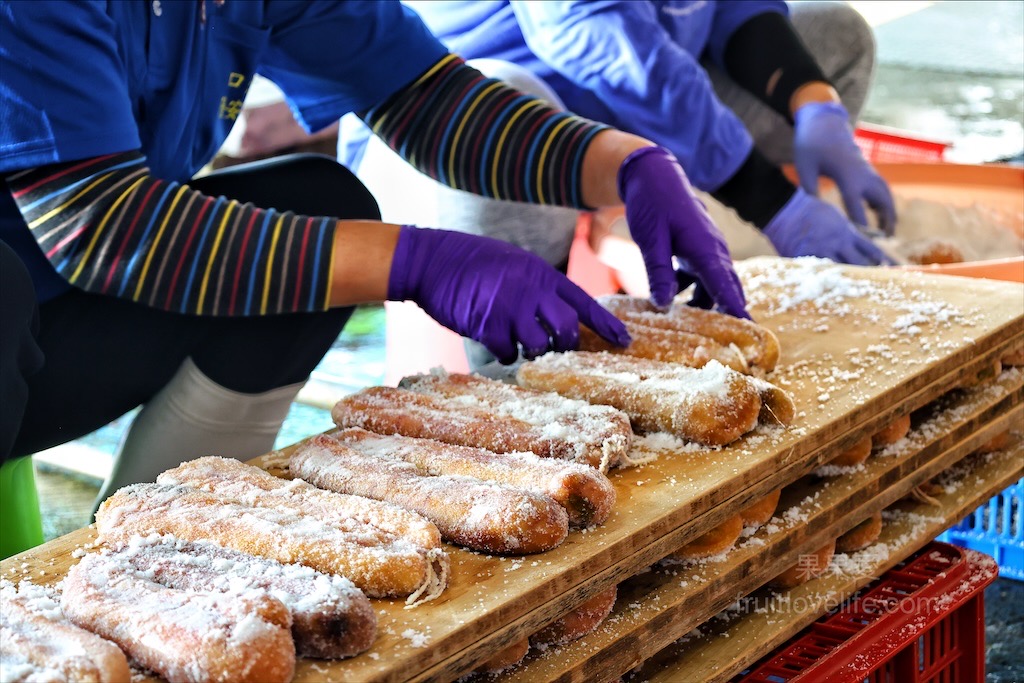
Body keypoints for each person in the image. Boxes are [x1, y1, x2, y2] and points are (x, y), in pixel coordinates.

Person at [0, 0, 746, 527]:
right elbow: (101, 222)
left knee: (319, 201)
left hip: (58, 318)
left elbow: (427, 98)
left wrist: (616, 161)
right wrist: (418, 261)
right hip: (24, 305)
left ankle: (159, 551)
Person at [341, 0, 896, 277]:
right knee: (506, 99)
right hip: (455, 144)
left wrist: (812, 101)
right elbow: (604, 43)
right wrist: (769, 201)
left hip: (630, 127)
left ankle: (740, 254)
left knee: (835, 34)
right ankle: (513, 377)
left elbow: (735, 9)